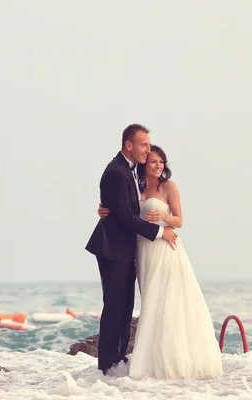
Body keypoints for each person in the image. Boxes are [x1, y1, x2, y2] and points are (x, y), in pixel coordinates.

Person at [97, 145, 222, 380]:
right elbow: (124, 210)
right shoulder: (136, 185)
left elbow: (180, 220)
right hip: (143, 251)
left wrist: (164, 217)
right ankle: (151, 359)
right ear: (145, 164)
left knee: (167, 301)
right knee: (151, 303)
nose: (158, 166)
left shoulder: (168, 187)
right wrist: (104, 210)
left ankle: (171, 362)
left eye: (161, 162)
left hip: (165, 249)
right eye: (153, 161)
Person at [85, 124, 179, 375]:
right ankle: (107, 366)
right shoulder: (116, 171)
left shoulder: (132, 170)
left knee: (125, 306)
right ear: (129, 145)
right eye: (144, 145)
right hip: (113, 249)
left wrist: (107, 209)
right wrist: (160, 232)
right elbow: (126, 216)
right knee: (115, 305)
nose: (148, 152)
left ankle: (117, 360)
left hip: (127, 249)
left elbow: (124, 205)